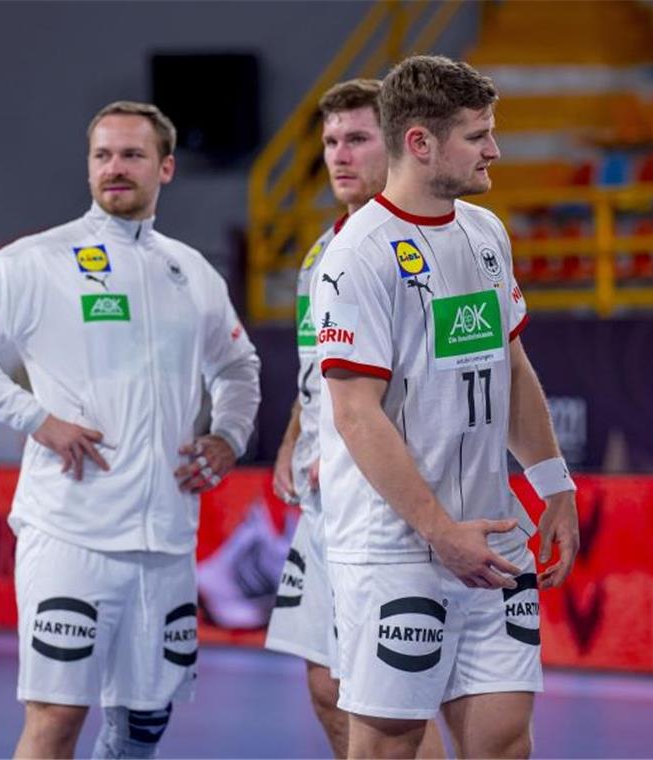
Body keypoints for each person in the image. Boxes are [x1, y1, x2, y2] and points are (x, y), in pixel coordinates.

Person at [0, 101, 261, 759]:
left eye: (132, 155)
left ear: (165, 167)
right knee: (55, 719)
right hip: (70, 532)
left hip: (165, 539)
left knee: (142, 727)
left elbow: (239, 364)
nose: (115, 168)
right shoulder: (39, 259)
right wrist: (35, 419)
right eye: (102, 155)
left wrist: (229, 435)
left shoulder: (191, 271)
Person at [311, 55, 580, 759]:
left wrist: (553, 484)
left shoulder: (486, 233)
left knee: (503, 743)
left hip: (490, 539)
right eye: (478, 135)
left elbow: (510, 367)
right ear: (421, 144)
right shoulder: (356, 256)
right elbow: (354, 414)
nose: (494, 149)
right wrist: (437, 529)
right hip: (397, 548)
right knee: (389, 744)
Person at [264, 78, 445, 759]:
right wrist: (293, 436)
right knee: (326, 684)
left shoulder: (424, 244)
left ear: (399, 144)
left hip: (388, 504)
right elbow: (326, 374)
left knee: (390, 699)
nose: (340, 156)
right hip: (323, 500)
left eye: (358, 139)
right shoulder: (321, 252)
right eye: (331, 142)